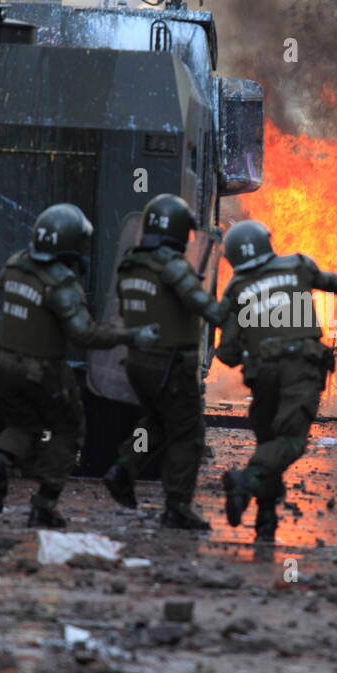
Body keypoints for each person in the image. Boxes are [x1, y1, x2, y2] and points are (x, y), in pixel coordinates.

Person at [0, 204, 159, 528]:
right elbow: (84, 334)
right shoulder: (62, 284)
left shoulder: (16, 265)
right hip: (42, 370)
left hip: (6, 363)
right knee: (68, 431)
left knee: (23, 427)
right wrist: (132, 335)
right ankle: (44, 505)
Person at [214, 220, 337, 541]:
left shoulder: (236, 289)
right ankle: (245, 482)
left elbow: (227, 353)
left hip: (263, 376)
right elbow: (334, 283)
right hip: (299, 370)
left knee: (269, 443)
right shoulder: (298, 266)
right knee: (290, 442)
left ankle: (266, 527)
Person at [102, 194, 221, 532]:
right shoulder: (172, 266)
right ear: (180, 232)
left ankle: (123, 467)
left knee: (157, 420)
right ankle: (177, 507)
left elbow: (125, 312)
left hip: (138, 361)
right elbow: (199, 302)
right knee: (189, 435)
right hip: (170, 364)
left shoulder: (131, 265)